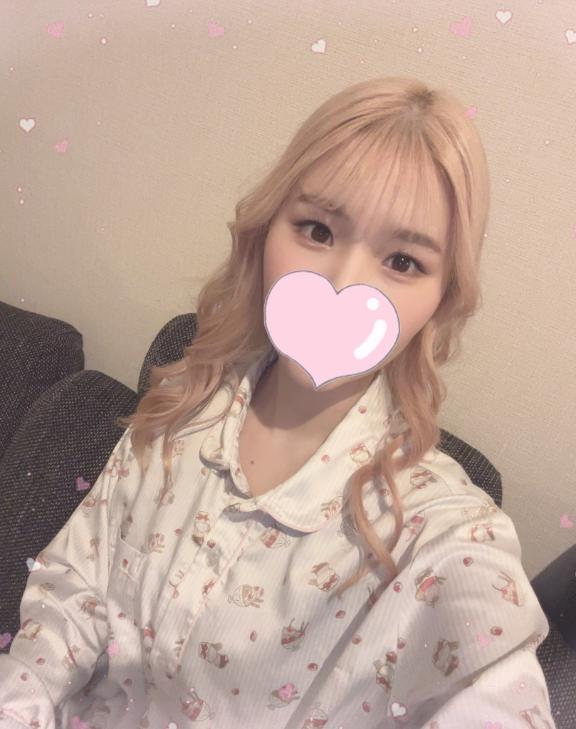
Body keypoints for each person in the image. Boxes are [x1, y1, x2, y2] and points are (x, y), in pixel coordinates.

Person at [0, 77, 557, 729]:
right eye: (317, 229)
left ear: (442, 297)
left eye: (403, 261)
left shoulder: (448, 538)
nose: (342, 284)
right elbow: (72, 595)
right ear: (266, 231)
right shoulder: (184, 400)